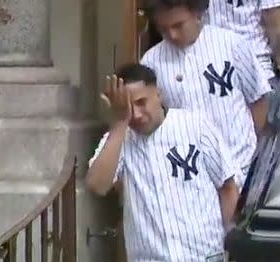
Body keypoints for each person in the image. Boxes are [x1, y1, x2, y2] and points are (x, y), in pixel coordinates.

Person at [86, 63, 239, 261]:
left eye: (141, 102)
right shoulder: (119, 138)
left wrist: (217, 238)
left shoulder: (195, 126)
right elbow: (98, 185)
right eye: (128, 107)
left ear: (158, 94)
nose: (137, 114)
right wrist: (120, 123)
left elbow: (228, 187)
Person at [140, 0, 272, 189]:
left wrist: (254, 154)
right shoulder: (152, 62)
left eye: (178, 25)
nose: (172, 35)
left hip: (241, 168)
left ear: (198, 14)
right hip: (189, 177)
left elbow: (258, 100)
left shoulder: (231, 45)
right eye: (164, 29)